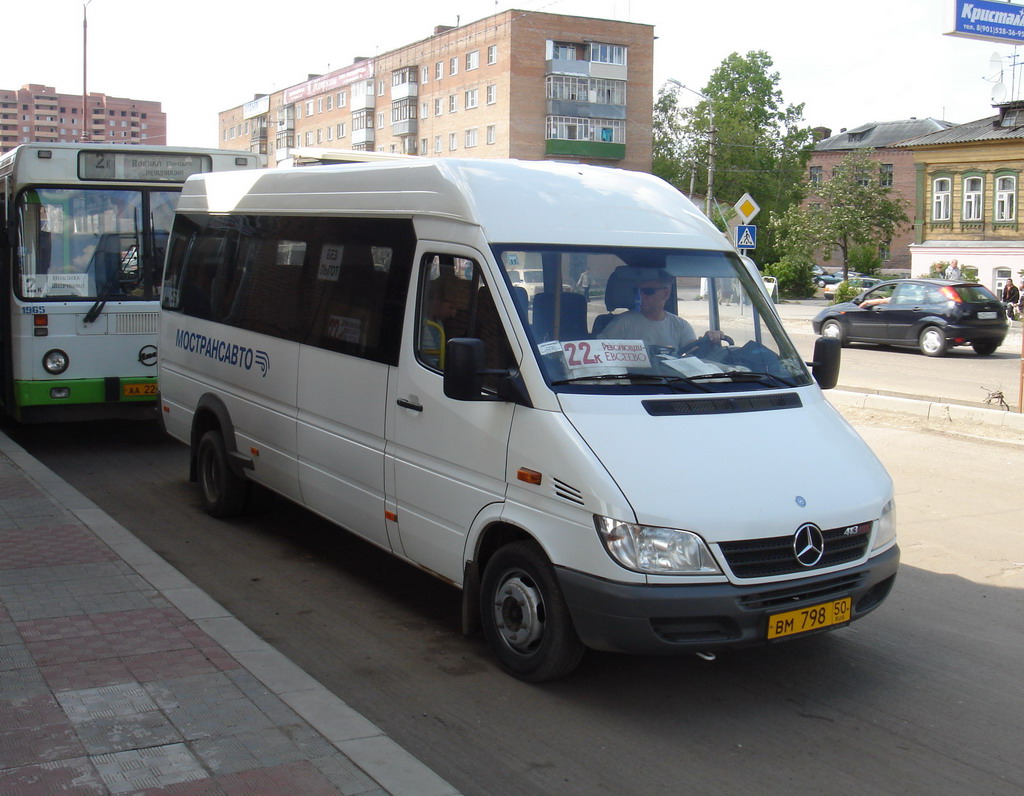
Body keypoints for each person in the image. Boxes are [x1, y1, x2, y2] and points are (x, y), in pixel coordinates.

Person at [598, 271, 719, 352]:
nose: (642, 295)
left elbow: (694, 354)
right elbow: (600, 351)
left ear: (666, 293)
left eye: (648, 291)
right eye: (638, 291)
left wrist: (709, 342)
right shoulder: (622, 322)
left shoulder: (680, 326)